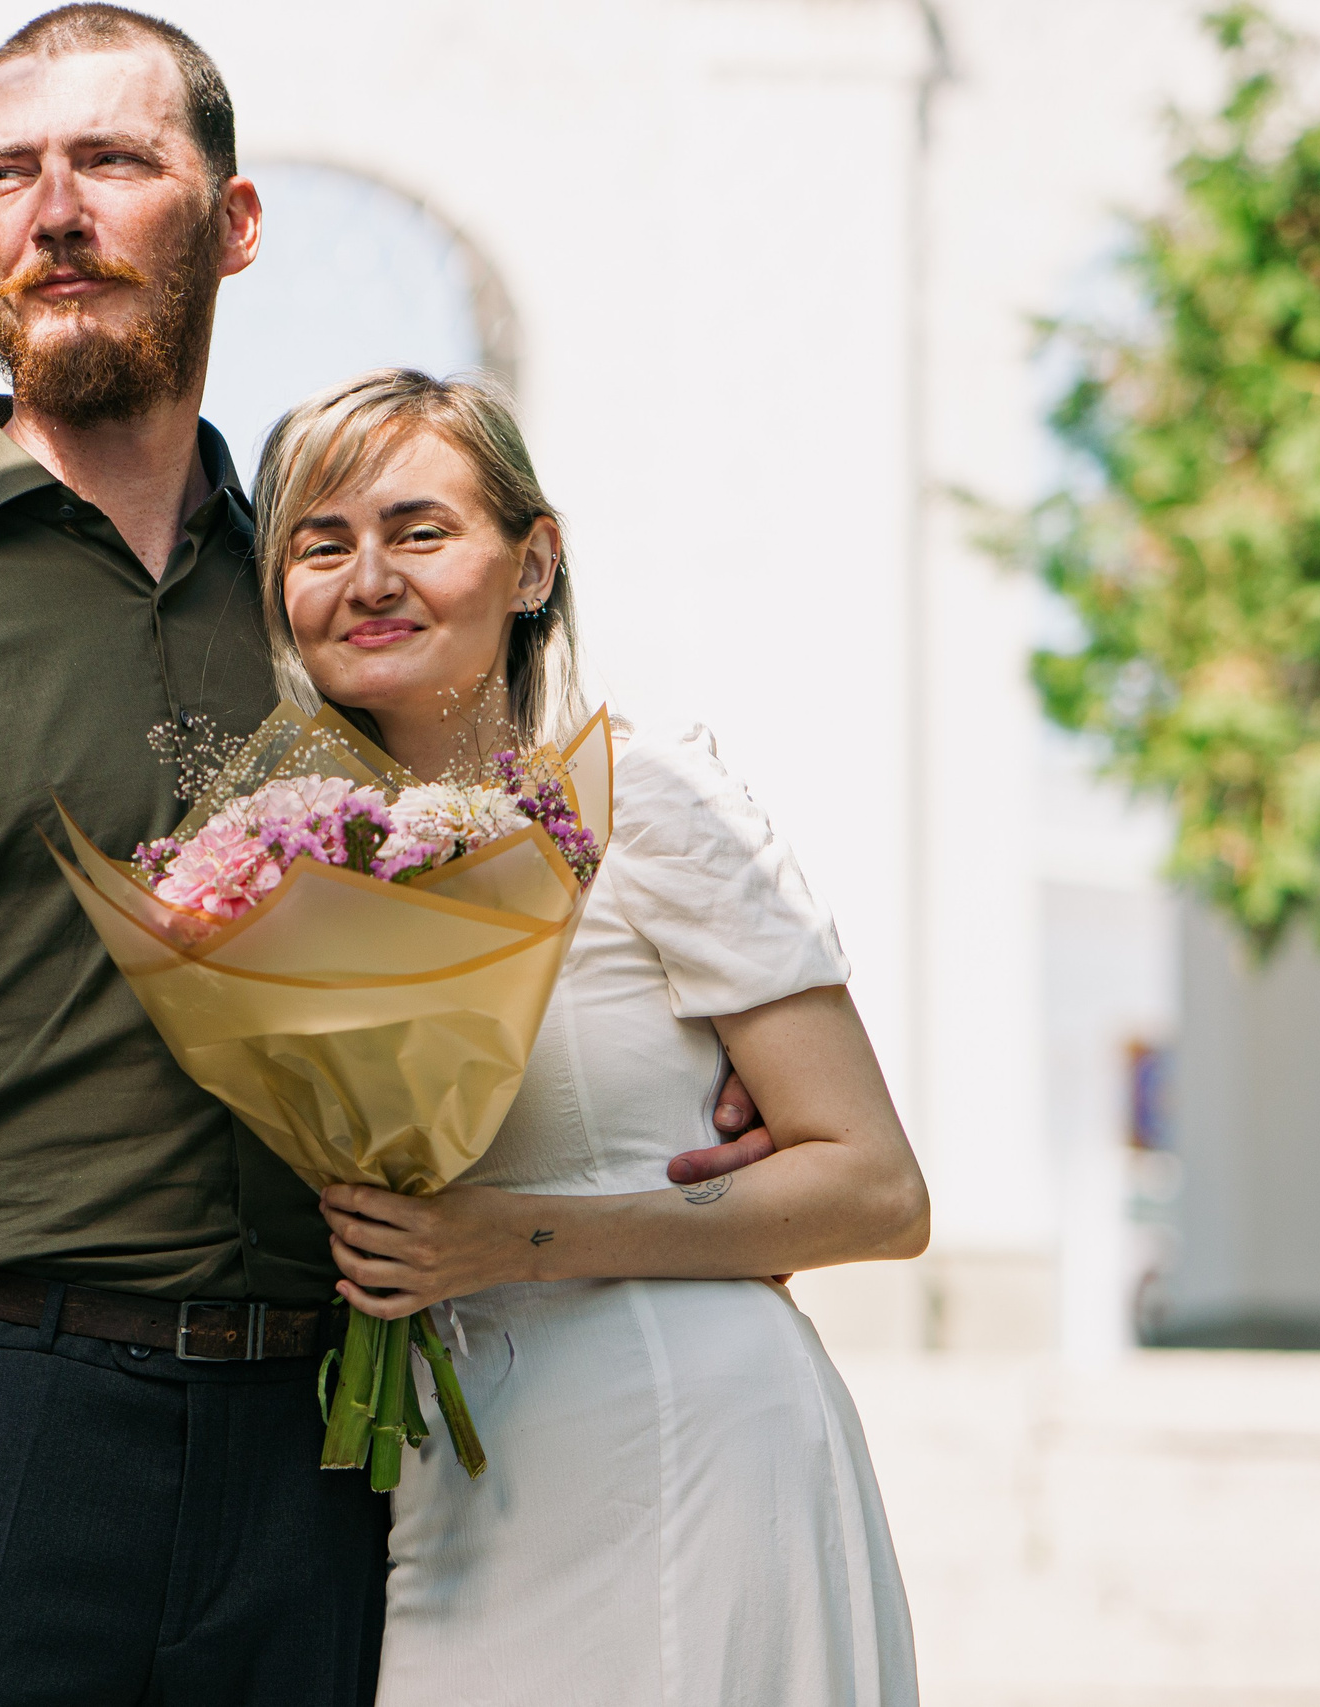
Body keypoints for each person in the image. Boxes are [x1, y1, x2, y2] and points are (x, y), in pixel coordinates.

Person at [0, 8, 778, 1704]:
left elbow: (480, 861)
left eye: (112, 160)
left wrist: (668, 1063)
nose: (54, 211)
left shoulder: (330, 615)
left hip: (316, 1456)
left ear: (233, 225)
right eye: (7, 174)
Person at [269, 368, 930, 1703]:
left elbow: (874, 1186)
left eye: (421, 531)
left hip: (679, 1439)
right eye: (321, 542)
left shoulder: (646, 798)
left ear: (533, 564)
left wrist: (508, 1239)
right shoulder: (281, 867)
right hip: (450, 1478)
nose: (369, 576)